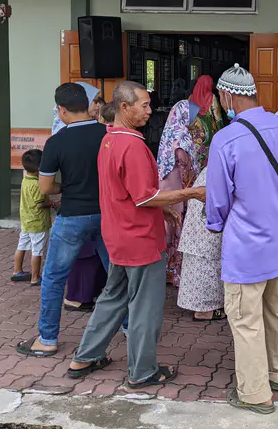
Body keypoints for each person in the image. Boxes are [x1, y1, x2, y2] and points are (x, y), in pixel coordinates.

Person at [67, 81, 205, 388]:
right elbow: (144, 197)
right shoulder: (132, 146)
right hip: (140, 241)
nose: (149, 110)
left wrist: (161, 207)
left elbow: (131, 194)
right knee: (145, 307)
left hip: (118, 235)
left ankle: (85, 356)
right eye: (143, 105)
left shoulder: (109, 140)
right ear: (124, 107)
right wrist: (192, 193)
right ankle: (143, 371)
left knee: (112, 298)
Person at [206, 64, 278, 415]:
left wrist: (216, 225)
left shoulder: (226, 138)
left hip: (246, 246)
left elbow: (217, 199)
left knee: (246, 321)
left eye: (220, 98)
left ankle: (255, 393)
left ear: (228, 96)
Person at [16, 83, 111, 357]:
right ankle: (130, 333)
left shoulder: (56, 142)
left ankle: (47, 339)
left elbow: (45, 187)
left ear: (61, 110)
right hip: (106, 214)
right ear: (89, 103)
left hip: (71, 216)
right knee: (117, 279)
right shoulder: (107, 134)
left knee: (54, 278)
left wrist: (64, 188)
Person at [157, 101, 203, 287]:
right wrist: (195, 186)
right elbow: (186, 168)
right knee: (177, 226)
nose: (195, 119)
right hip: (179, 188)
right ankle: (176, 273)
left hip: (166, 186)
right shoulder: (182, 137)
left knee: (169, 228)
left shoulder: (169, 132)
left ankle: (167, 270)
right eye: (193, 115)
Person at [177, 167, 226, 322]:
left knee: (202, 257)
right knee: (207, 258)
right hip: (207, 215)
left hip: (202, 216)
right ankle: (204, 310)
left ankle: (202, 306)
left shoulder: (216, 164)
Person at [12, 149, 52, 286]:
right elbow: (40, 203)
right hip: (38, 223)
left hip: (26, 222)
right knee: (37, 251)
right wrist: (52, 203)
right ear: (40, 167)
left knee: (21, 246)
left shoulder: (25, 180)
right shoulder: (37, 184)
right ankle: (35, 277)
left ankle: (17, 271)